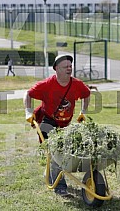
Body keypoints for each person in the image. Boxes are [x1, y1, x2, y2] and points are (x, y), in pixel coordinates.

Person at [23, 54, 90, 197]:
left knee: (65, 151)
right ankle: (60, 186)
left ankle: (51, 171)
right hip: (48, 121)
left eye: (70, 66)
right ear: (57, 69)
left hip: (66, 123)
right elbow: (28, 94)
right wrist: (28, 112)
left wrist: (83, 111)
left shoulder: (76, 84)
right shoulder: (47, 85)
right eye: (65, 66)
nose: (69, 68)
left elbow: (87, 94)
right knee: (56, 152)